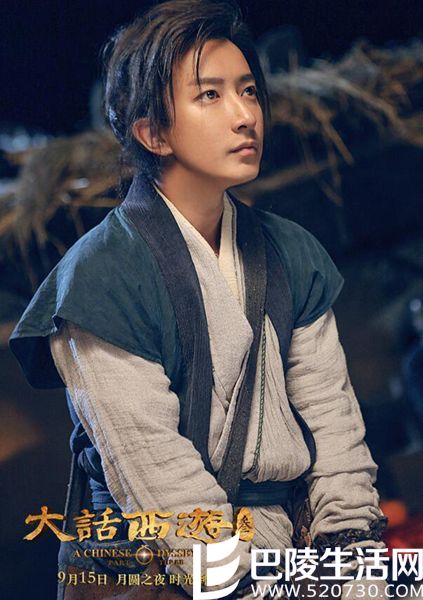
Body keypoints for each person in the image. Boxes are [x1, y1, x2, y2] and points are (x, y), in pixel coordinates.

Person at [10, 1, 387, 598]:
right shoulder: (100, 280)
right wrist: (258, 584)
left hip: (289, 558)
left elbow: (334, 429)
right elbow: (161, 483)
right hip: (162, 568)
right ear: (152, 132)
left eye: (249, 91)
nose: (245, 116)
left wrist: (351, 560)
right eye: (210, 95)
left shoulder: (294, 253)